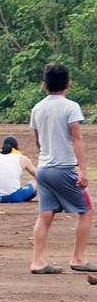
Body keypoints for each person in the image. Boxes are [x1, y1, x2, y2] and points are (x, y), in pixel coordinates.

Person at [27, 63, 93, 275]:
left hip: (44, 168)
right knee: (86, 210)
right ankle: (78, 258)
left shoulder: (37, 108)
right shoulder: (71, 107)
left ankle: (37, 261)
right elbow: (76, 138)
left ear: (44, 86)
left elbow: (38, 141)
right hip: (64, 167)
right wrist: (82, 170)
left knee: (45, 214)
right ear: (68, 84)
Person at [0, 135, 37, 232]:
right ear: (17, 147)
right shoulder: (22, 158)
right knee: (37, 181)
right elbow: (38, 176)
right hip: (14, 196)